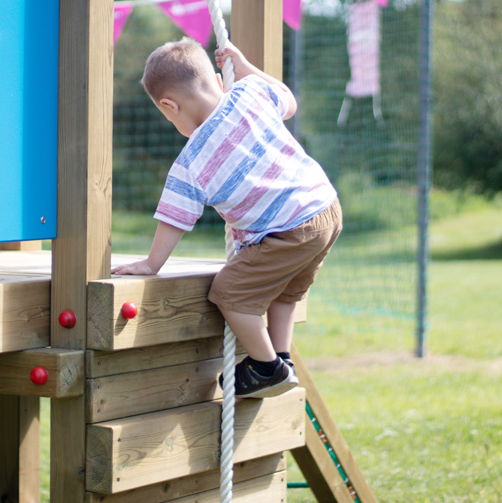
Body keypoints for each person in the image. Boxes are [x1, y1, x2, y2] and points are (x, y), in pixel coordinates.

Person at [112, 37, 341, 398]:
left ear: (170, 107)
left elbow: (175, 218)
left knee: (228, 293)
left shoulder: (191, 161)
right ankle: (281, 357)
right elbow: (288, 101)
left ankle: (267, 367)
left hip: (287, 229)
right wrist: (246, 66)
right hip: (324, 209)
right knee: (286, 291)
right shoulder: (249, 92)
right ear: (220, 82)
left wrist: (151, 264)